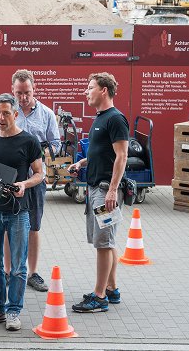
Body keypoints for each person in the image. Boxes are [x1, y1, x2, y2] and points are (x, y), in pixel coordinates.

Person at [0, 93, 44, 331]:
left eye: (5, 113)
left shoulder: (29, 141)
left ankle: (14, 311)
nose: (1, 117)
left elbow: (39, 174)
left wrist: (24, 184)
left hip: (17, 212)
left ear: (15, 114)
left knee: (18, 266)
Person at [0, 69, 60, 292]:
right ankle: (8, 272)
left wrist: (41, 152)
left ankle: (32, 273)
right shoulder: (2, 113)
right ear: (12, 90)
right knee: (7, 225)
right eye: (19, 93)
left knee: (33, 227)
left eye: (27, 93)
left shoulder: (46, 114)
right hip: (6, 178)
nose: (23, 98)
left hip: (34, 180)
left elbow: (56, 143)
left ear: (34, 89)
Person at [67, 72, 128, 313]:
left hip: (105, 191)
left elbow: (122, 156)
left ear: (104, 90)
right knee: (106, 242)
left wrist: (113, 190)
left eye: (90, 87)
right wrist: (81, 165)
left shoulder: (115, 119)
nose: (86, 91)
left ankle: (99, 296)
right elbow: (101, 153)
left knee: (103, 243)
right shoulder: (101, 118)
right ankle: (112, 289)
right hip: (96, 188)